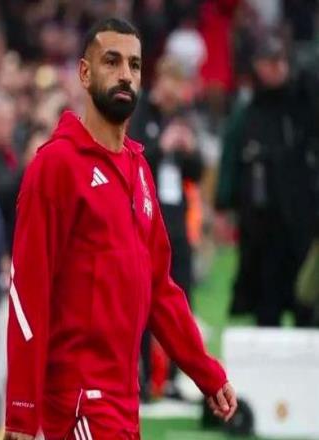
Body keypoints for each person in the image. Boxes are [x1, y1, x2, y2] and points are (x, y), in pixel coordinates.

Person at [4, 18, 237, 440]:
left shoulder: (138, 168)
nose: (125, 74)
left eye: (134, 64)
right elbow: (27, 294)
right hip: (78, 404)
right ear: (84, 73)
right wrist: (21, 409)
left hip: (124, 403)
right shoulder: (56, 166)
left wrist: (207, 373)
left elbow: (160, 288)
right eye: (112, 62)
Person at [216, 33, 318, 326]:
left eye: (280, 61)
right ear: (257, 65)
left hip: (302, 220)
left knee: (306, 301)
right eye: (269, 62)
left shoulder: (305, 103)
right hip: (261, 225)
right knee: (265, 303)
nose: (276, 68)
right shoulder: (247, 113)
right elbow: (230, 159)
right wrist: (223, 206)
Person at [129, 56, 204, 401]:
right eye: (171, 83)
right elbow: (133, 158)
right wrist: (163, 145)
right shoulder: (141, 113)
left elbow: (196, 171)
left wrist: (189, 150)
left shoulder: (183, 117)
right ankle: (143, 376)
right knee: (145, 300)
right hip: (146, 221)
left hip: (177, 222)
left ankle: (174, 377)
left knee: (181, 298)